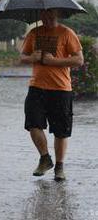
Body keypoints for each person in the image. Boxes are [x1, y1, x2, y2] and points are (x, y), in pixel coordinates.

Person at [20, 9, 84, 181]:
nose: (48, 19)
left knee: (61, 131)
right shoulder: (34, 33)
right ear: (40, 16)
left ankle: (60, 167)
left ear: (57, 15)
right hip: (37, 86)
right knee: (33, 123)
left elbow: (79, 60)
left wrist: (54, 61)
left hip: (61, 88)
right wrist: (32, 57)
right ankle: (45, 158)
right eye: (45, 16)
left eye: (51, 16)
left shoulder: (66, 33)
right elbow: (22, 57)